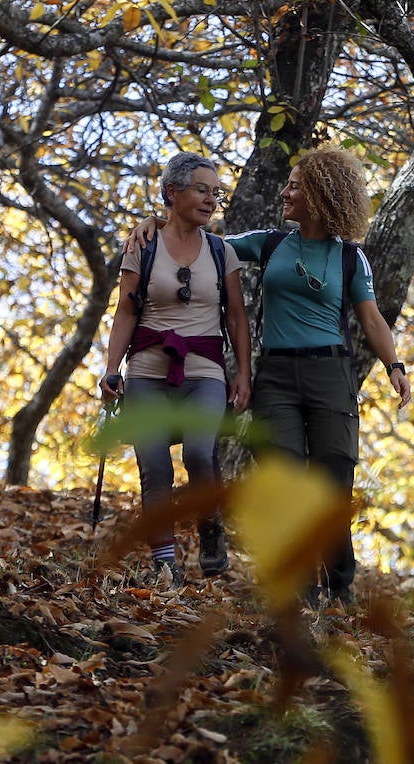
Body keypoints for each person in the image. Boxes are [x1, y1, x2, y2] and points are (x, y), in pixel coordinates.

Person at [132, 145, 411, 607]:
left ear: (320, 194)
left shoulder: (349, 259)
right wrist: (156, 224)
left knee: (332, 484)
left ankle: (340, 586)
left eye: (295, 186)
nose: (285, 192)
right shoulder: (270, 242)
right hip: (277, 376)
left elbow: (372, 317)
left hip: (331, 375)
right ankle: (305, 591)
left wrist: (394, 366)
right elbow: (201, 240)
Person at [101, 153, 252, 586]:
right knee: (154, 465)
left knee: (199, 453)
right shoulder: (142, 246)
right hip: (148, 371)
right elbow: (125, 312)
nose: (211, 201)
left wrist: (242, 373)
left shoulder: (222, 251)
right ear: (172, 192)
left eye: (216, 193)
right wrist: (112, 369)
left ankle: (210, 529)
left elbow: (237, 317)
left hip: (204, 372)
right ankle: (164, 564)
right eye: (202, 190)